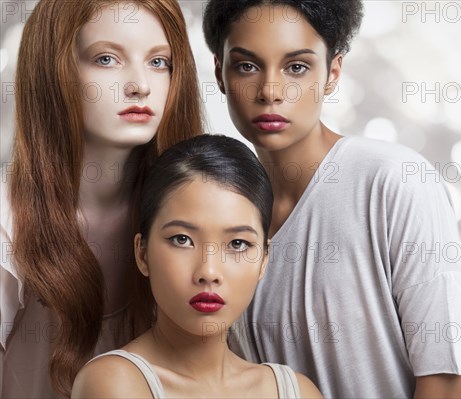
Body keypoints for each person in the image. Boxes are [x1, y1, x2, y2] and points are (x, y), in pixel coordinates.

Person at [202, 1, 461, 398]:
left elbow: (446, 382)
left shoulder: (395, 182)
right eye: (247, 66)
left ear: (332, 73)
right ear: (219, 72)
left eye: (297, 67)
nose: (271, 91)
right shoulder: (225, 223)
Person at [0, 0, 203, 396]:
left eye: (159, 62)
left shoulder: (197, 211)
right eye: (107, 58)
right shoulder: (9, 216)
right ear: (53, 71)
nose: (140, 85)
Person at [71, 134, 322, 398]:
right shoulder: (113, 383)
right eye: (182, 239)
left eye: (237, 244)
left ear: (263, 259)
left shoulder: (297, 391)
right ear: (142, 253)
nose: (208, 272)